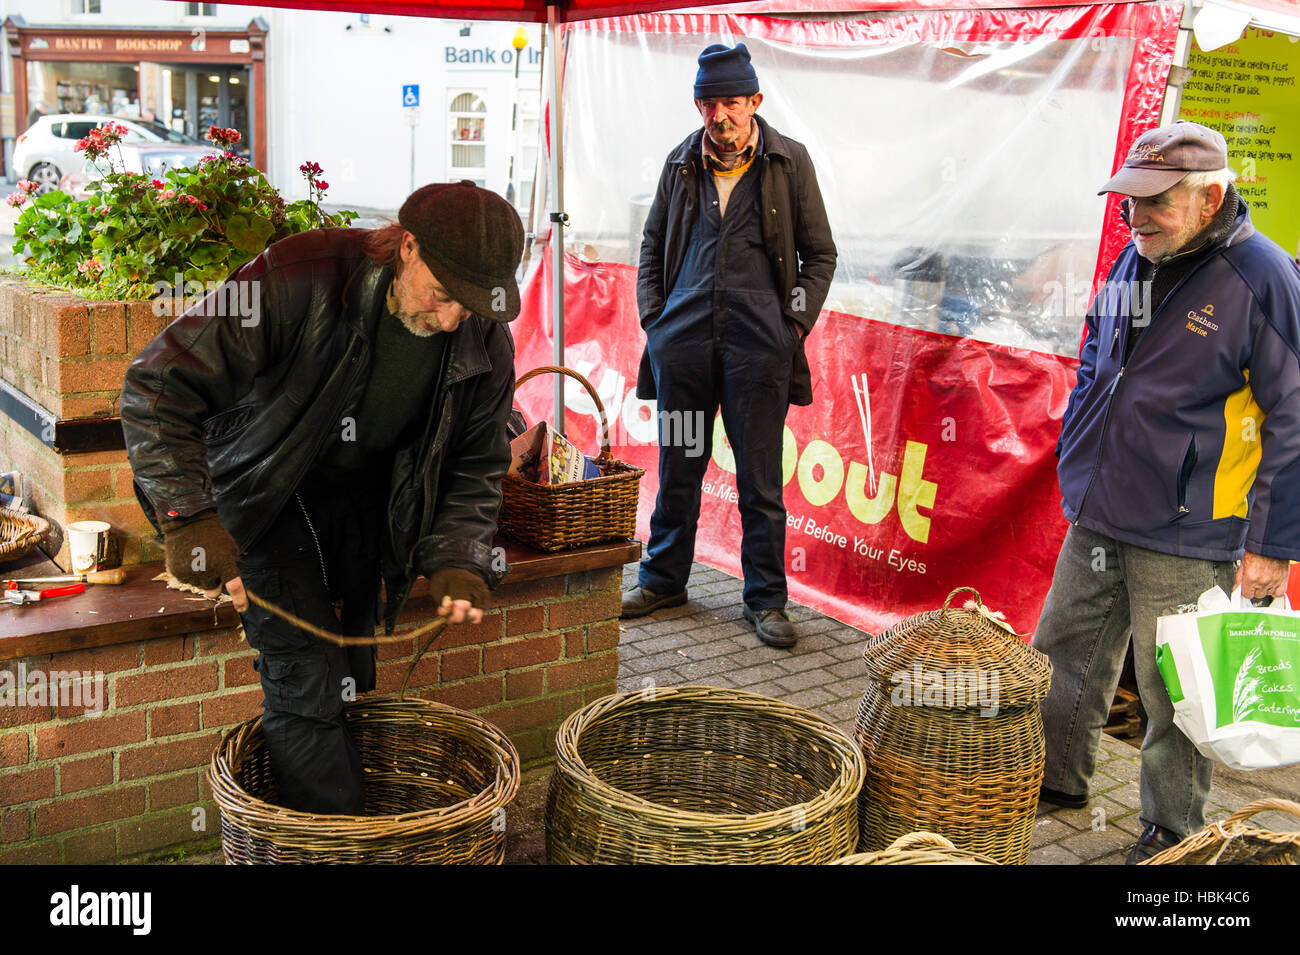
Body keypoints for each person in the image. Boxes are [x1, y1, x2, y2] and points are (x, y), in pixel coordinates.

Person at [121, 181, 522, 814]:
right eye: (444, 296)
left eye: (469, 306)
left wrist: (459, 555)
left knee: (351, 666)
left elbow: (478, 461)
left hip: (361, 498)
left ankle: (338, 818)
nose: (451, 320)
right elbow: (155, 387)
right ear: (407, 248)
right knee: (305, 675)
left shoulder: (483, 341)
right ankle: (339, 845)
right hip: (261, 493)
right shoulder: (298, 275)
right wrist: (188, 516)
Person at [1034, 121, 1300, 863]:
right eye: (1128, 201)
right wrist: (1078, 445)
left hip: (1188, 524)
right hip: (1102, 501)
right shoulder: (1137, 253)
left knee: (1171, 687)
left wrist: (1272, 545)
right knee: (1064, 650)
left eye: (1154, 202)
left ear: (1211, 197)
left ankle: (1173, 828)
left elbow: (1296, 420)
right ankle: (1059, 778)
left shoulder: (1266, 277)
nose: (1135, 216)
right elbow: (1099, 353)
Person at [622, 42, 837, 648]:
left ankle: (766, 600)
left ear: (755, 102)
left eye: (732, 103)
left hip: (757, 351)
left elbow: (820, 255)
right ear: (698, 106)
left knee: (760, 483)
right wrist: (654, 320)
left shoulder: (789, 163)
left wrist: (790, 327)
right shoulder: (679, 163)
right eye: (710, 103)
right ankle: (664, 579)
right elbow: (651, 246)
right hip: (684, 348)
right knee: (679, 468)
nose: (721, 116)